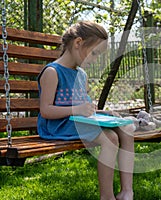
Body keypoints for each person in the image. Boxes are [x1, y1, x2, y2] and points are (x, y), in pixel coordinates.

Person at [37, 21, 134, 200]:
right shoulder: (52, 72)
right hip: (58, 125)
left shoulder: (81, 75)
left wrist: (105, 114)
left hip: (78, 122)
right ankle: (107, 197)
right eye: (95, 53)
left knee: (127, 129)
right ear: (78, 43)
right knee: (110, 138)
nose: (95, 59)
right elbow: (46, 111)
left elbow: (86, 110)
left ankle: (127, 191)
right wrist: (76, 110)